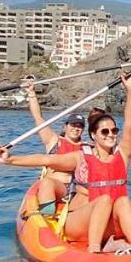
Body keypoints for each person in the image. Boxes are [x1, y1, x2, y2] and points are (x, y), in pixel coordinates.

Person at [0, 74, 131, 253]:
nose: (111, 134)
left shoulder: (122, 155)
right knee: (103, 199)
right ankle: (94, 249)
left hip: (110, 221)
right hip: (79, 221)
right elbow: (47, 160)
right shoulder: (80, 155)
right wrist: (10, 159)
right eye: (104, 131)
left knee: (122, 201)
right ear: (93, 135)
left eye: (114, 130)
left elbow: (130, 125)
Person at [21, 79, 87, 217]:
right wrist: (32, 93)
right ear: (65, 127)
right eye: (73, 125)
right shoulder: (53, 141)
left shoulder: (86, 148)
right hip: (57, 188)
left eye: (80, 126)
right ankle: (47, 216)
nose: (76, 128)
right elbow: (38, 117)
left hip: (78, 191)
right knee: (46, 183)